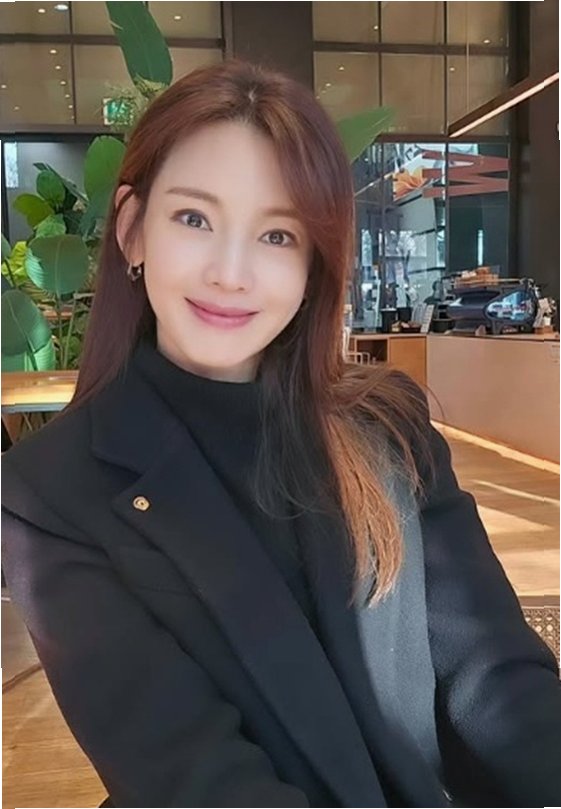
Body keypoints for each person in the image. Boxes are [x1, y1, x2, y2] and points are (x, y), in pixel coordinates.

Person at [2, 59, 560, 809]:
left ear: (312, 263)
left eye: (276, 234)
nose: (231, 273)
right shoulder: (51, 491)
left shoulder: (384, 425)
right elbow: (195, 776)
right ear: (132, 229)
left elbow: (493, 675)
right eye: (194, 219)